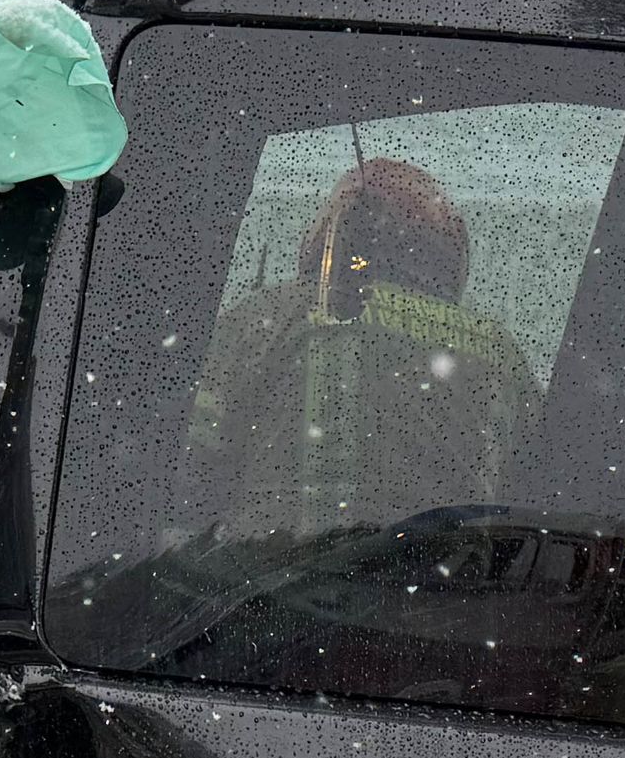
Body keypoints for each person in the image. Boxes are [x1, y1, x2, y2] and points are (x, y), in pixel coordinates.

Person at [183, 153, 540, 543]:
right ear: (450, 250)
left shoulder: (266, 319)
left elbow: (188, 479)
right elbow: (534, 499)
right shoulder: (500, 356)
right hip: (442, 594)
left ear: (328, 237)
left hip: (264, 587)